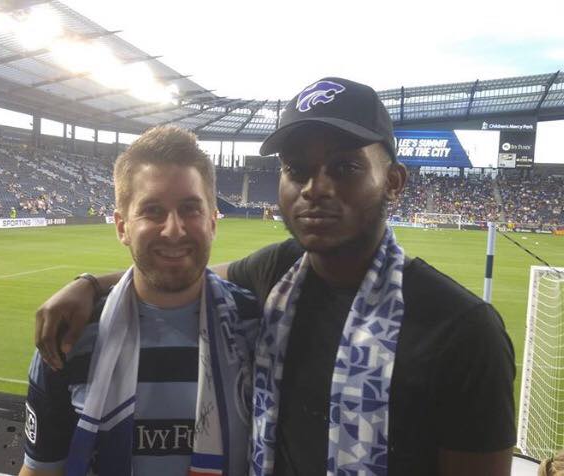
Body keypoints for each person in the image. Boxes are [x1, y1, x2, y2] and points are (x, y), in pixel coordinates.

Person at [35, 78, 516, 476]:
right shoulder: (278, 272)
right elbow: (180, 272)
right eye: (297, 169)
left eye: (345, 167)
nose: (315, 187)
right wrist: (90, 286)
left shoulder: (463, 332)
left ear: (393, 181)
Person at [20, 126, 259, 476]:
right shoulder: (69, 340)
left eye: (190, 209)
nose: (174, 229)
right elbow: (41, 471)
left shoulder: (259, 329)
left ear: (212, 222)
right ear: (122, 227)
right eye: (153, 211)